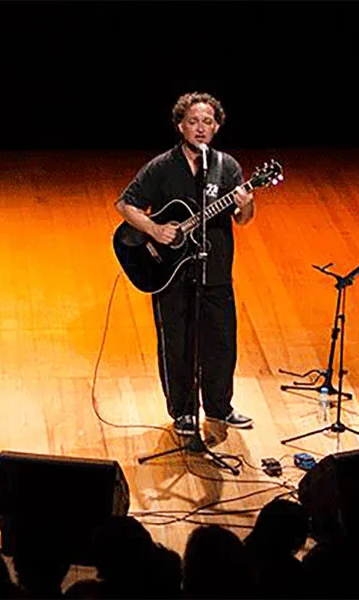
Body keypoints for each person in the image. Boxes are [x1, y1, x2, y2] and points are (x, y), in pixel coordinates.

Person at [114, 92, 255, 437]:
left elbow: (243, 219)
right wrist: (154, 229)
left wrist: (247, 204)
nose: (201, 128)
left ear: (217, 126)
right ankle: (183, 410)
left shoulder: (227, 167)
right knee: (177, 344)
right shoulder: (162, 167)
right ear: (180, 125)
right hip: (171, 273)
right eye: (193, 121)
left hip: (216, 270)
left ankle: (220, 407)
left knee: (222, 342)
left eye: (208, 122)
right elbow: (125, 204)